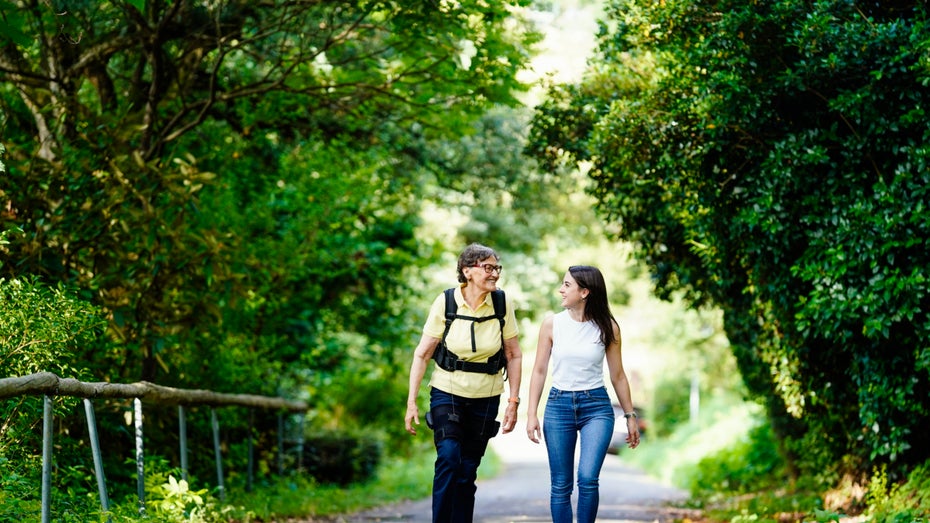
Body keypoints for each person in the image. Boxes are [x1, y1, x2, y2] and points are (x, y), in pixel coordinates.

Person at [405, 243, 523, 523]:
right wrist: (411, 402)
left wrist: (513, 401)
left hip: (487, 395)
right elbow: (422, 354)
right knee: (449, 457)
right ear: (468, 271)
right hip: (448, 392)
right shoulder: (446, 302)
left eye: (497, 268)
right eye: (488, 267)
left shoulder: (502, 303)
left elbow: (513, 354)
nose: (495, 274)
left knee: (468, 469)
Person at [525, 265, 640, 523]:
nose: (561, 290)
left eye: (567, 285)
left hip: (596, 407)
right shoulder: (551, 324)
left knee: (588, 479)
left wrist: (630, 415)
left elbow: (618, 375)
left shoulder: (608, 327)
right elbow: (540, 371)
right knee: (561, 484)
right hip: (558, 406)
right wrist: (531, 413)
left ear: (585, 291)